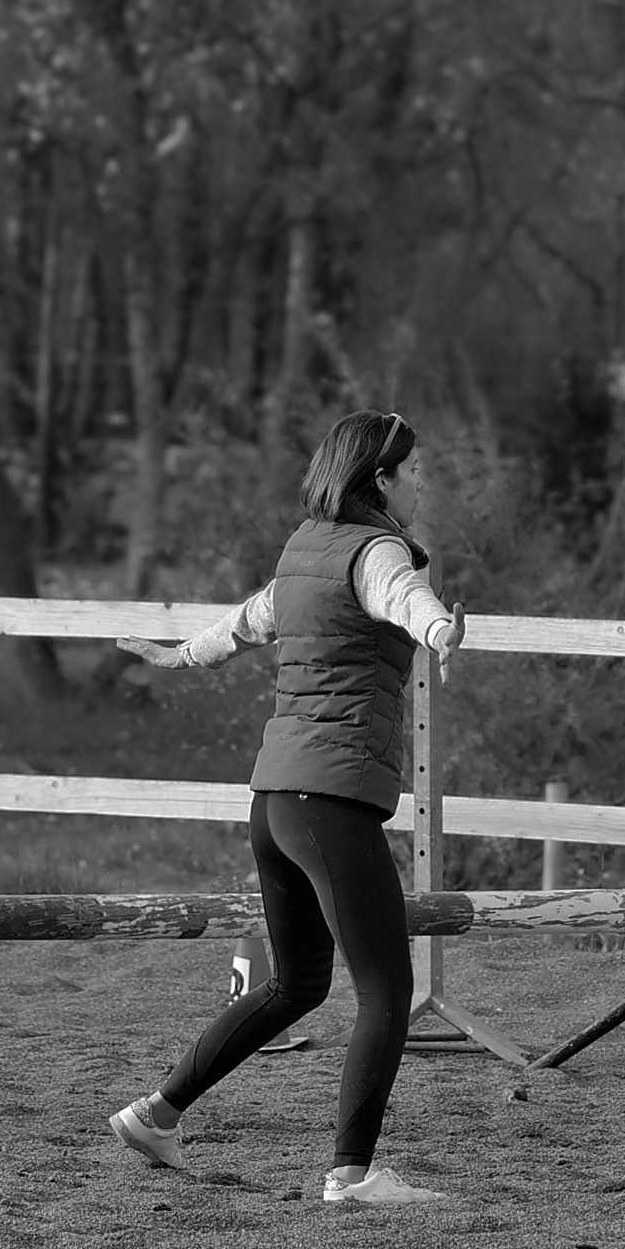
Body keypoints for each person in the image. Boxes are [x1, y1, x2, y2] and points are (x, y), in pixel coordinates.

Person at [108, 409, 463, 1207]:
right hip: (328, 802)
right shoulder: (378, 553)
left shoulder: (306, 549)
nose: (422, 482)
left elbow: (246, 622)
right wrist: (439, 629)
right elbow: (404, 598)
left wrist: (179, 655)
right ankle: (353, 1174)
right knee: (385, 992)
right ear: (380, 479)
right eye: (415, 470)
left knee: (297, 984)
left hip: (275, 803)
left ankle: (155, 1113)